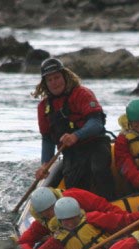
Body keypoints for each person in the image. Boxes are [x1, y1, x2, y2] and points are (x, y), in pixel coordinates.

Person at [32, 57, 115, 199]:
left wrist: (76, 135)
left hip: (96, 144)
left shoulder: (81, 94)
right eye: (49, 80)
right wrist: (45, 164)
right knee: (74, 186)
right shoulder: (43, 107)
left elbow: (96, 123)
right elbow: (47, 139)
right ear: (45, 83)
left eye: (57, 77)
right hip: (71, 153)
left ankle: (110, 202)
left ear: (65, 76)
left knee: (98, 169)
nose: (54, 83)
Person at [17, 186, 139, 249]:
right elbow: (24, 241)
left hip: (108, 238)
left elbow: (107, 209)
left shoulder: (77, 199)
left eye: (52, 208)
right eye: (46, 213)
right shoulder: (44, 222)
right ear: (40, 214)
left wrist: (131, 226)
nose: (52, 214)